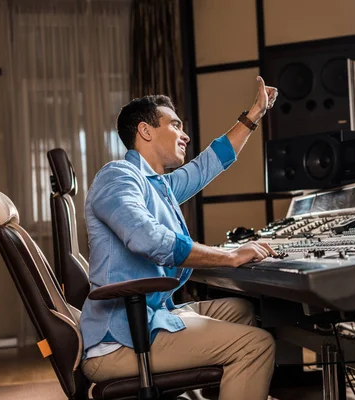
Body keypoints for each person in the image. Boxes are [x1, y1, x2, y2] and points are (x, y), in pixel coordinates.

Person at [80, 76, 279, 400]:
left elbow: (207, 165)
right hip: (120, 340)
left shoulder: (158, 186)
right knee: (256, 346)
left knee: (241, 309)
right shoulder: (117, 177)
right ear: (145, 131)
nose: (185, 134)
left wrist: (253, 115)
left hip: (147, 318)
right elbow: (147, 238)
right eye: (175, 125)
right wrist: (228, 256)